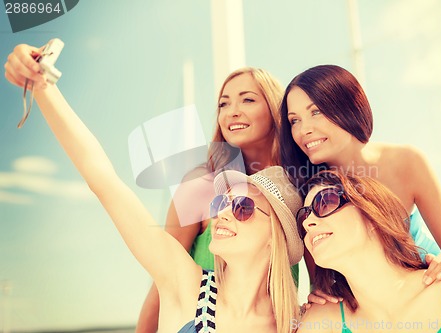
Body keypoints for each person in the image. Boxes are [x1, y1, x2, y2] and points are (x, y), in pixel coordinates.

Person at [4, 43, 303, 332]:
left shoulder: (299, 321)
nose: (222, 213)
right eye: (219, 203)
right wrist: (42, 84)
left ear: (279, 231)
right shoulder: (186, 284)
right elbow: (103, 180)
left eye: (242, 207)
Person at [279, 65, 441, 295]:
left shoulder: (405, 162)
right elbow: (322, 286)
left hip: (435, 296)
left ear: (346, 106)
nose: (304, 129)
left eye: (315, 112)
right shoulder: (307, 194)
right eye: (294, 120)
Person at [137, 66, 292, 332]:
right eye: (223, 104)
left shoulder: (293, 191)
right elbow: (163, 278)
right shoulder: (200, 185)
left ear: (276, 110)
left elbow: (320, 279)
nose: (232, 111)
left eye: (248, 99)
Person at [295, 170, 441, 333]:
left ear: (372, 215)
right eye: (304, 216)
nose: (309, 223)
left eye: (325, 202)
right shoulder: (323, 322)